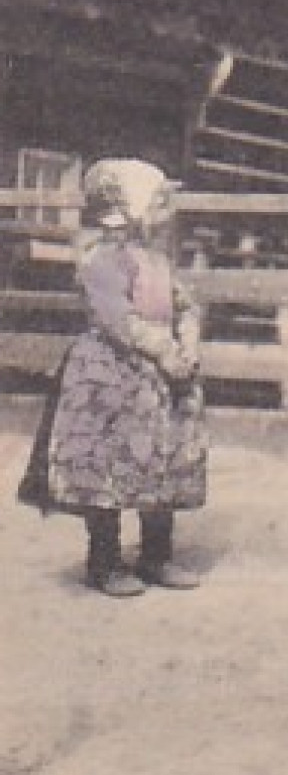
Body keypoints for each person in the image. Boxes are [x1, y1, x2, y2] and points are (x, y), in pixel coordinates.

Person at [17, 159, 206, 596]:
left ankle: (157, 556)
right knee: (109, 465)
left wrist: (188, 344)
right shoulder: (101, 259)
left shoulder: (157, 260)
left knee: (162, 460)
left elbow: (186, 305)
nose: (167, 212)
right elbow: (117, 318)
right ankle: (104, 562)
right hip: (113, 375)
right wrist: (163, 351)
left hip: (161, 378)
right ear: (130, 206)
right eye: (158, 202)